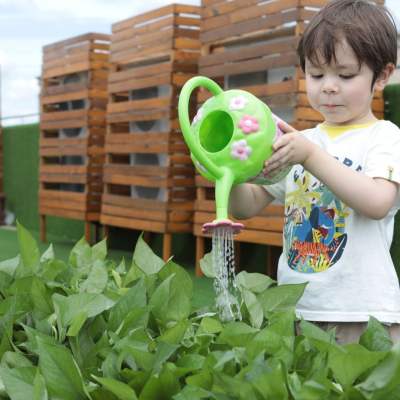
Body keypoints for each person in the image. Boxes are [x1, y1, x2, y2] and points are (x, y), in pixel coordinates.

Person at [228, 0, 400, 346]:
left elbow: (378, 202)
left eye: (346, 75)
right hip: (297, 309)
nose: (329, 86)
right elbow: (245, 207)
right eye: (317, 74)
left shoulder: (384, 137)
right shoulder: (302, 142)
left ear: (381, 76)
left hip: (361, 314)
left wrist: (309, 156)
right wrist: (227, 171)